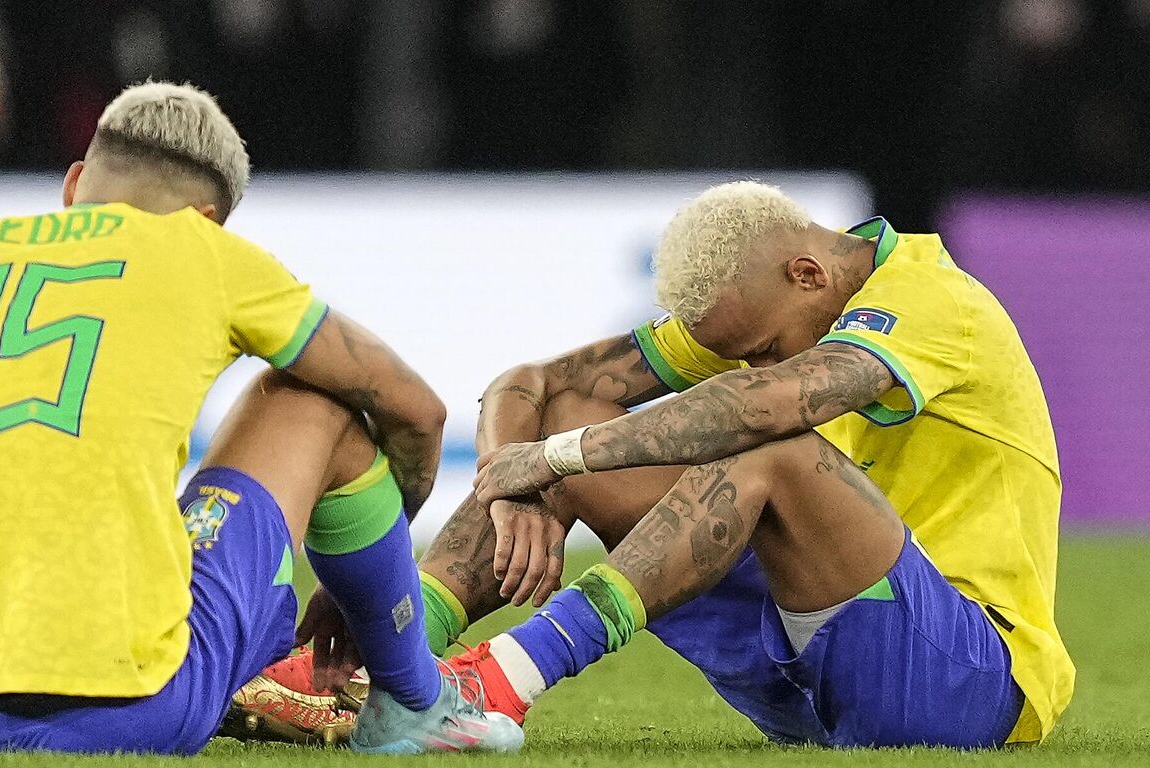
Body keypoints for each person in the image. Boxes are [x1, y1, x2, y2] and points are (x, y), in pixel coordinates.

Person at [241, 181, 1073, 748]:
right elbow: (530, 385)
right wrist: (518, 483)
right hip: (807, 667)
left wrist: (558, 457)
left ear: (810, 275)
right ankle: (380, 658)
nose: (753, 362)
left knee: (768, 444)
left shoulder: (938, 304)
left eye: (764, 347)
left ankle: (502, 679)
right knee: (571, 418)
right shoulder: (777, 296)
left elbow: (778, 404)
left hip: (964, 678)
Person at [0, 81, 522, 755]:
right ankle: (410, 700)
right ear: (206, 219)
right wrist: (370, 577)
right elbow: (418, 410)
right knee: (316, 400)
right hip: (135, 713)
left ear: (75, 183)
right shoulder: (197, 251)